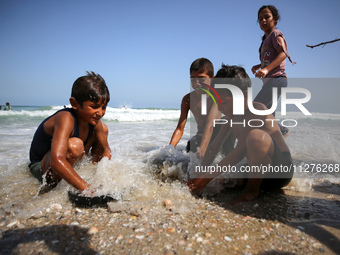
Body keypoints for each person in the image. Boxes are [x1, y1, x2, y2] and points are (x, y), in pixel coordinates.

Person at [187, 65, 293, 205]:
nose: (219, 108)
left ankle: (251, 191)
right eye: (216, 102)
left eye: (223, 102)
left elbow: (240, 151)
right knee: (223, 181)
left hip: (279, 172)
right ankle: (253, 184)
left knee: (256, 137)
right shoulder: (231, 117)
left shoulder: (257, 110)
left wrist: (206, 177)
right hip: (254, 171)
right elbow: (215, 146)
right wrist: (201, 171)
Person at [29, 71, 111, 192]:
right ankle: (53, 187)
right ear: (74, 103)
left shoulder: (95, 121)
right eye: (94, 107)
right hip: (42, 166)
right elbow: (57, 160)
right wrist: (87, 189)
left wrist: (100, 178)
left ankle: (83, 177)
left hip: (66, 160)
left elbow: (106, 150)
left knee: (104, 129)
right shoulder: (65, 118)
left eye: (103, 107)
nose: (100, 113)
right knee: (75, 145)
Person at [169, 58, 234, 157]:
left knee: (226, 123)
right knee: (191, 145)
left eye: (202, 79)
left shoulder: (216, 96)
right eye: (193, 79)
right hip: (200, 136)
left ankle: (231, 165)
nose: (197, 83)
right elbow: (179, 129)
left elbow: (210, 125)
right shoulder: (187, 100)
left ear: (212, 79)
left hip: (220, 135)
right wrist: (169, 149)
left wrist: (201, 153)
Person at [251, 5, 295, 137]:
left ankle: (282, 132)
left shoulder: (276, 34)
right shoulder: (265, 40)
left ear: (275, 19)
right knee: (267, 118)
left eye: (267, 17)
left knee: (255, 108)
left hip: (277, 80)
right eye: (260, 19)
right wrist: (259, 65)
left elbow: (283, 54)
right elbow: (271, 58)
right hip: (271, 82)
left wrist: (265, 69)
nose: (263, 20)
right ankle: (275, 146)